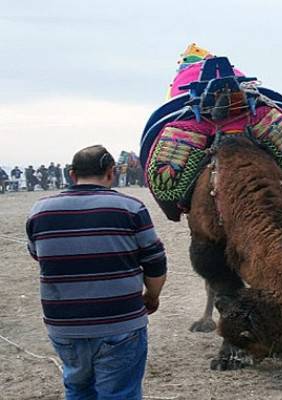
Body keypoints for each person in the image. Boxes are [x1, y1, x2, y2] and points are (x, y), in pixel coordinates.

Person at [26, 145, 167, 399]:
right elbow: (155, 262)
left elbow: (38, 255)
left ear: (72, 174)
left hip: (65, 325)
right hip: (121, 323)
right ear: (111, 173)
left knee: (78, 389)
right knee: (120, 393)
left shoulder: (40, 210)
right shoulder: (131, 208)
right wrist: (152, 296)